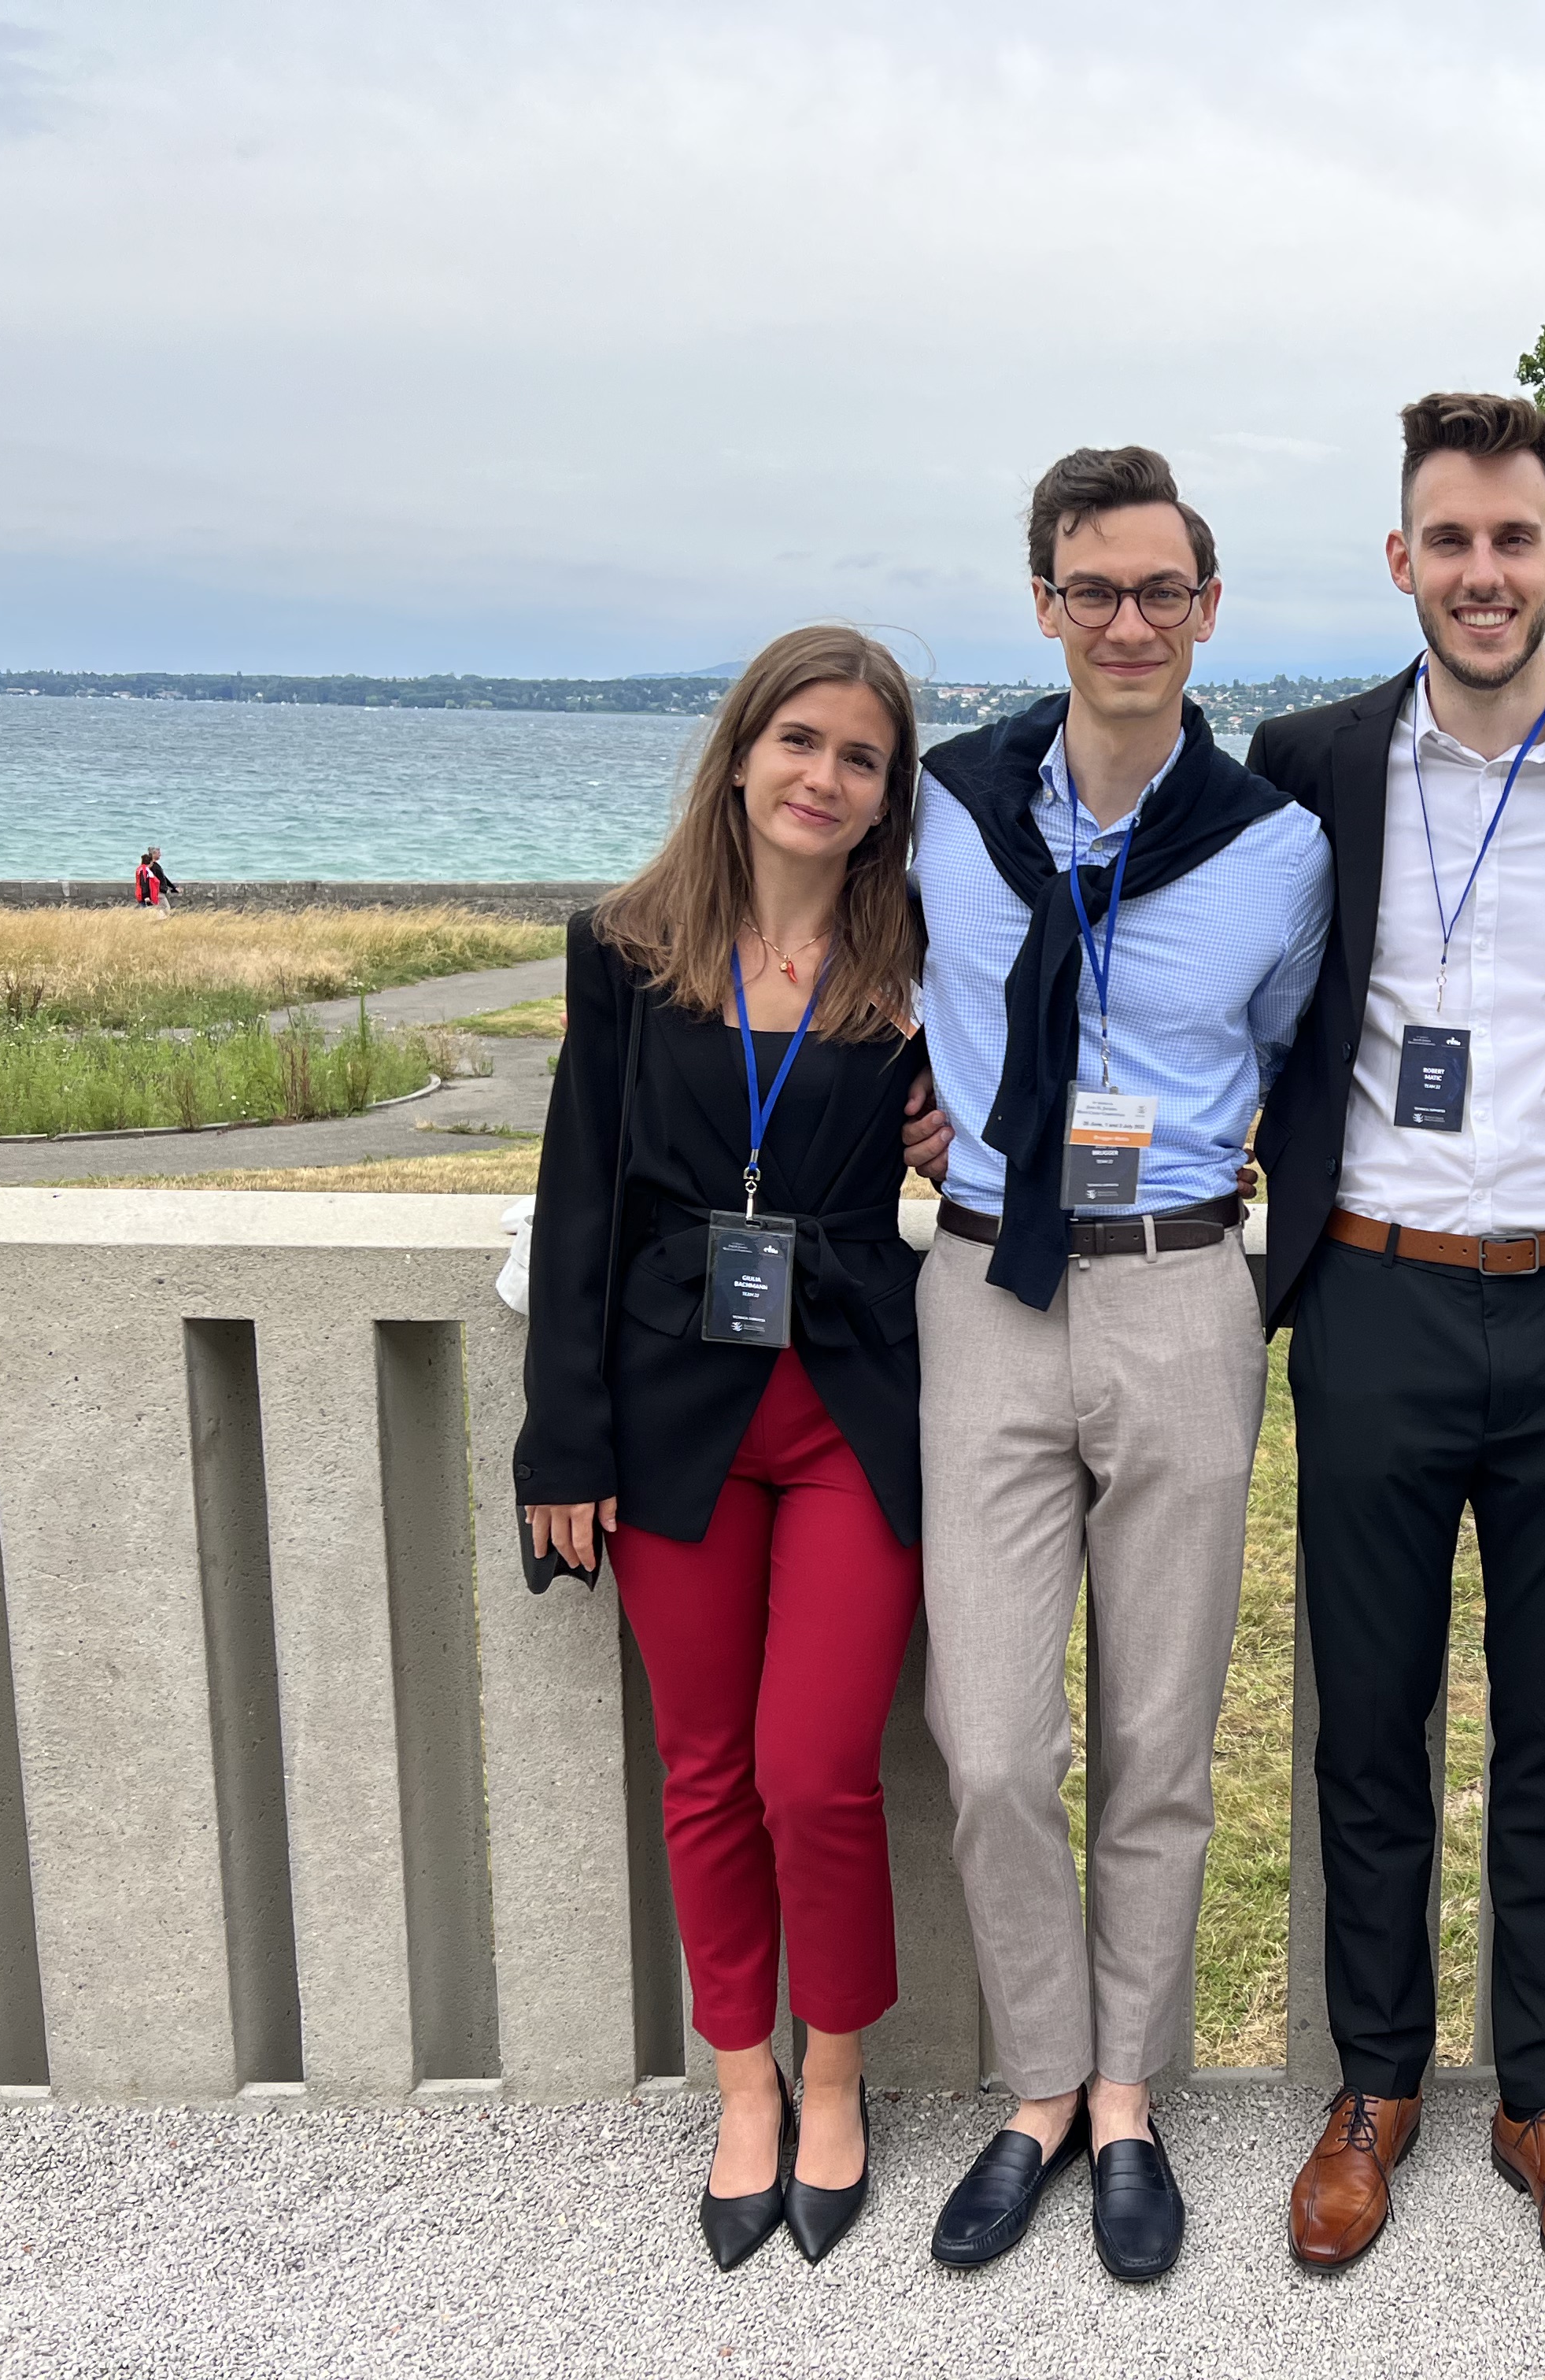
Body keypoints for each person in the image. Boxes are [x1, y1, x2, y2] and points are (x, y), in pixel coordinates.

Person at [1244, 393, 1545, 2296]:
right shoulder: (1306, 764)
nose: (1484, 573)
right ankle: (1374, 2086)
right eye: (1452, 540)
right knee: (1369, 1721)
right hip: (1376, 1296)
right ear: (1402, 561)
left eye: (1515, 540)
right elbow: (1190, 969)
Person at [907, 445, 1329, 2285]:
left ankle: (1128, 2099)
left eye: (1163, 590)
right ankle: (1038, 2087)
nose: (1130, 622)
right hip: (987, 1288)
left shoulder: (1276, 848)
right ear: (1045, 606)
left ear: (1207, 609)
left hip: (1176, 1292)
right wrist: (912, 1098)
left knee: (1160, 1735)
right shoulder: (945, 805)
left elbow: (1289, 1054)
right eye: (1096, 590)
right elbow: (866, 972)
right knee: (994, 1743)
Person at [515, 624, 933, 2275]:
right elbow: (578, 1197)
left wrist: (958, 1117)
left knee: (813, 1769)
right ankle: (742, 2082)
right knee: (702, 1768)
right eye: (801, 742)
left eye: (861, 758)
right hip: (669, 1410)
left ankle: (835, 2074)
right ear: (743, 753)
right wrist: (563, 1440)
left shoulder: (917, 957)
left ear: (889, 794)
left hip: (850, 1409)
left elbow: (1010, 1109)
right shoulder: (624, 948)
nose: (824, 777)